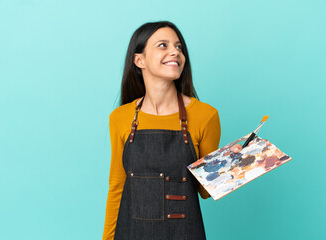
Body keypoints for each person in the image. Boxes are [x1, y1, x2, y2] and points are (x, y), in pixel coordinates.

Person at [102, 21, 242, 240]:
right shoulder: (120, 118)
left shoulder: (205, 116)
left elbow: (204, 191)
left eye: (178, 47)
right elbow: (117, 186)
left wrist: (233, 163)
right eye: (163, 45)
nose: (174, 52)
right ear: (139, 60)